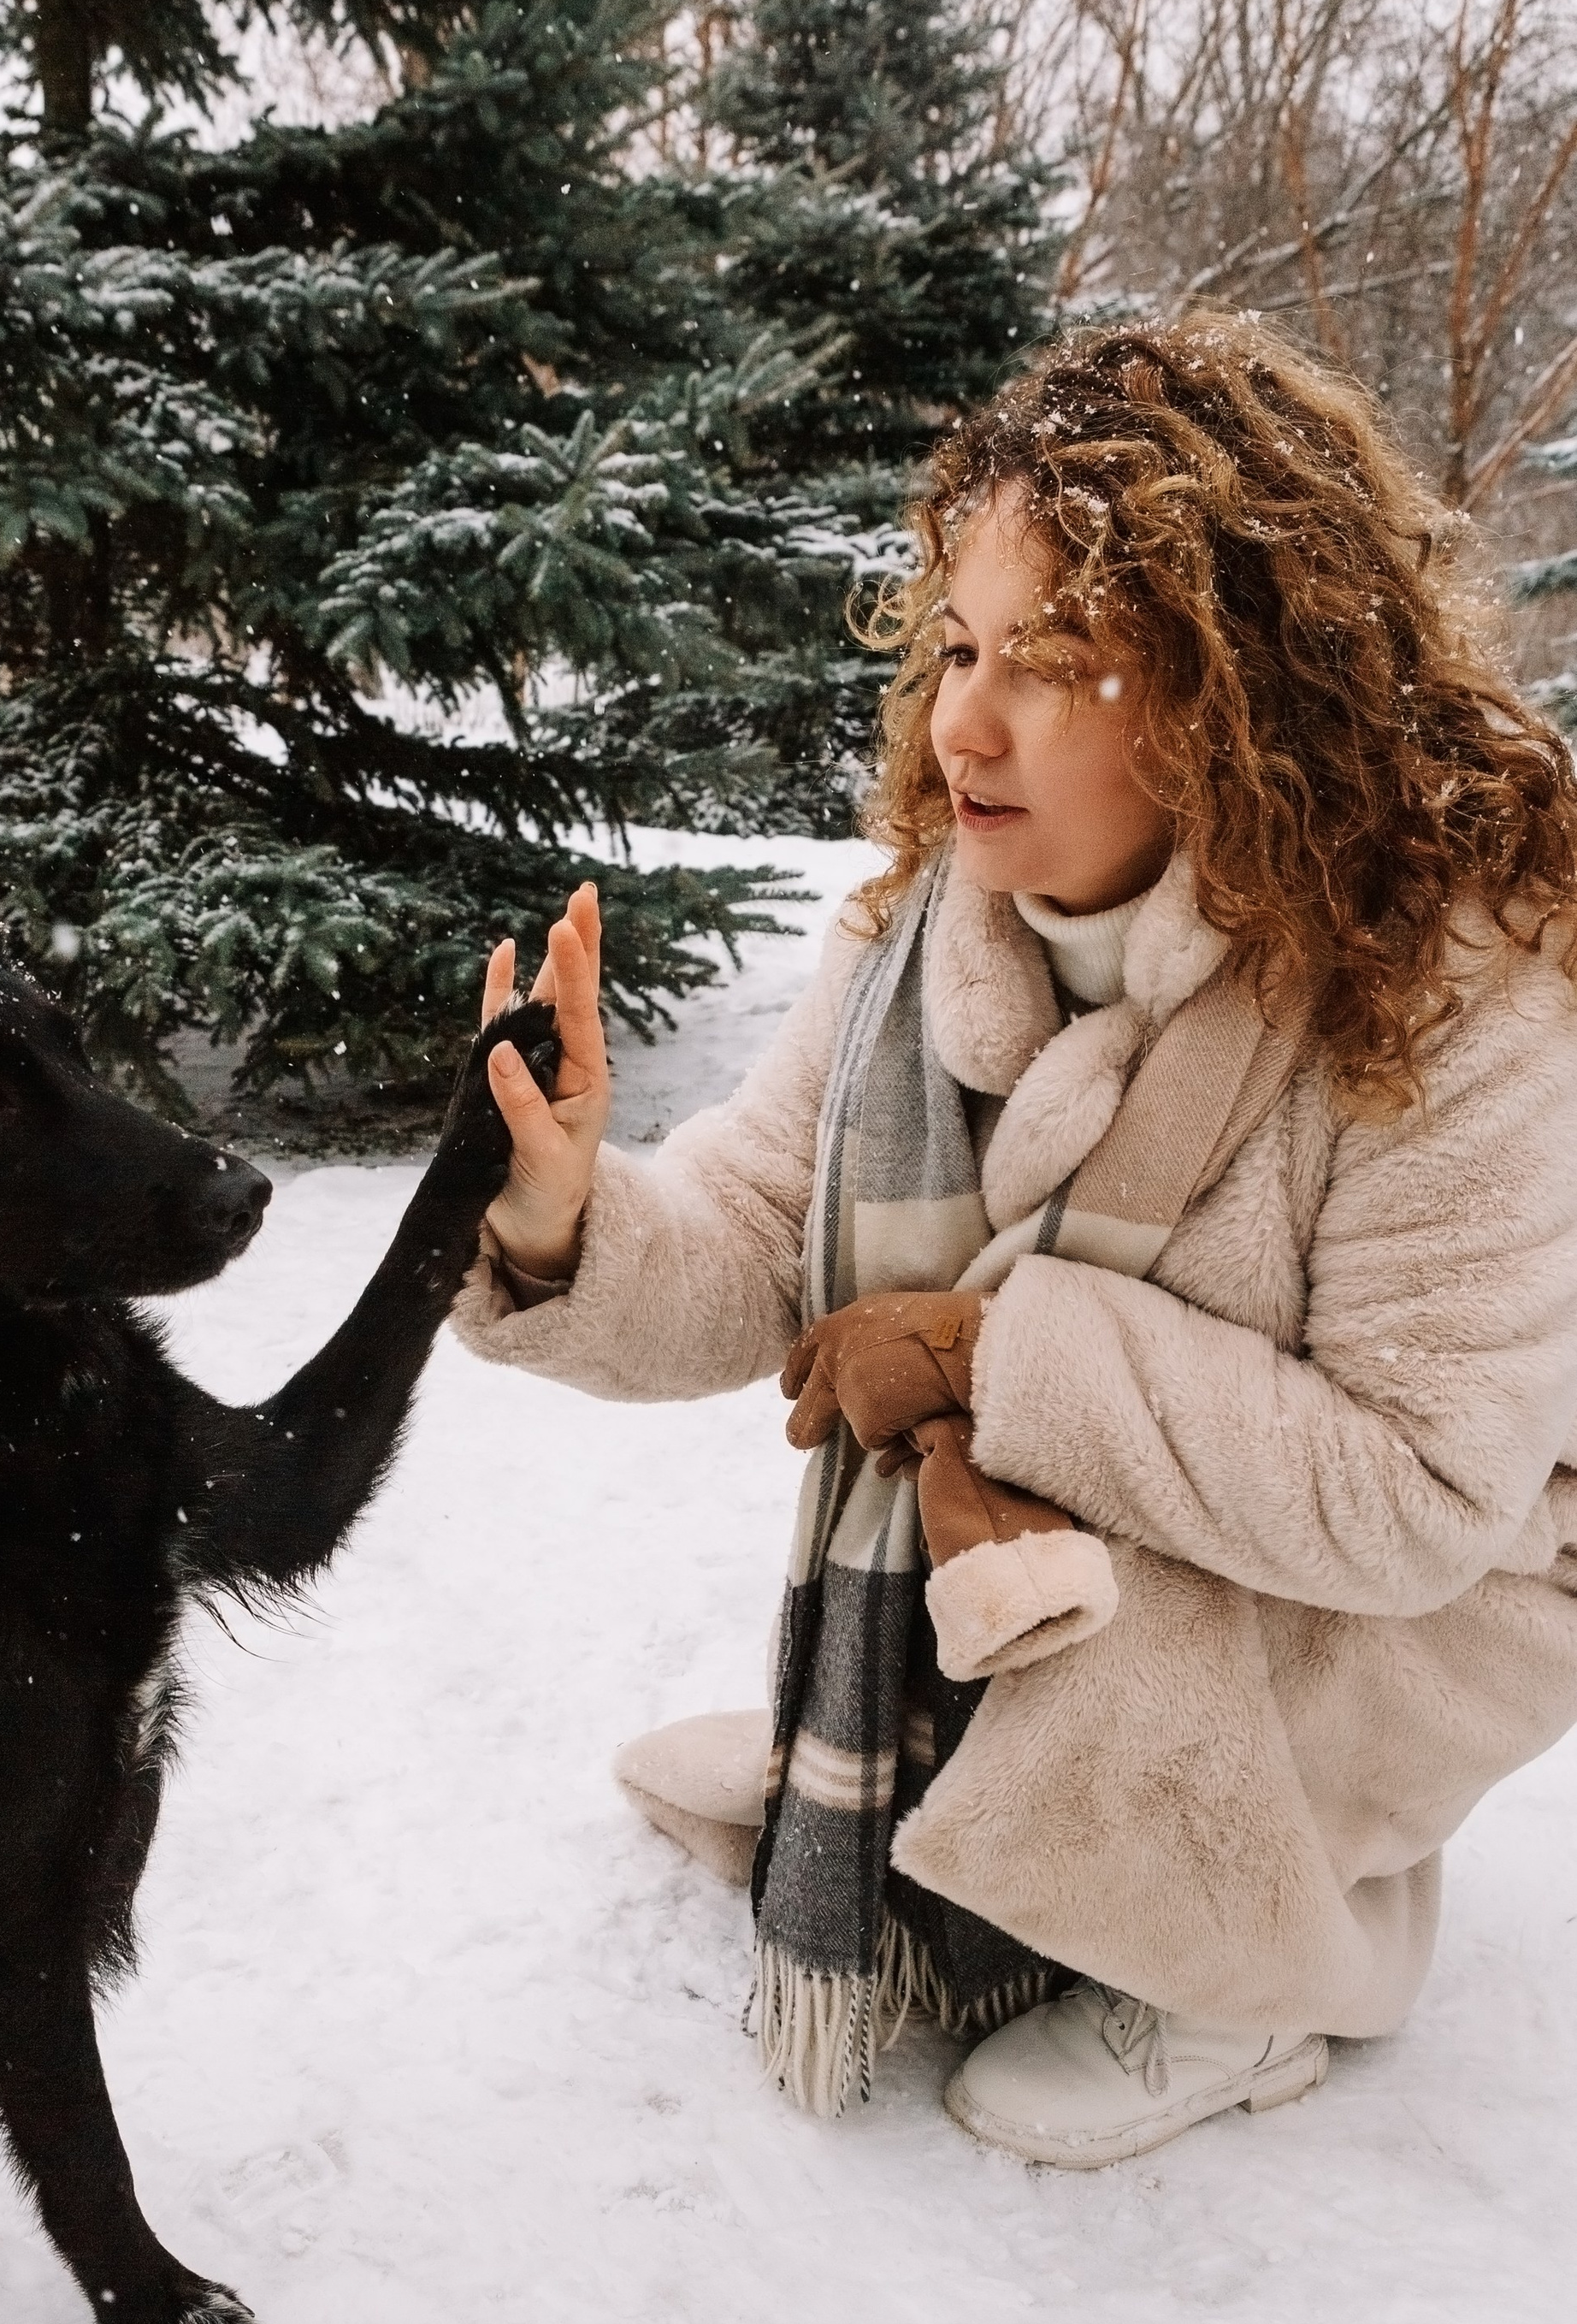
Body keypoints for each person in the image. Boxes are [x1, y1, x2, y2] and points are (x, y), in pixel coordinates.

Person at [452, 312, 1577, 2167]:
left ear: (1237, 690)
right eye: (961, 646)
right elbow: (758, 1236)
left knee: (1058, 1508)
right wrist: (559, 1209)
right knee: (1016, 1511)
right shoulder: (922, 932)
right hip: (1202, 1537)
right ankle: (954, 1801)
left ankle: (1248, 1967)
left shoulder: (1454, 980)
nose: (960, 723)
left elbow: (1417, 1492)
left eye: (1051, 662)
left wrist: (991, 1360)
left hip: (1430, 1604)